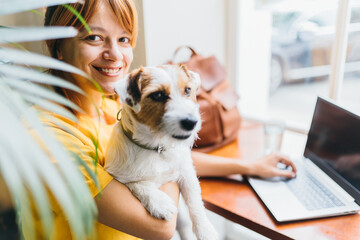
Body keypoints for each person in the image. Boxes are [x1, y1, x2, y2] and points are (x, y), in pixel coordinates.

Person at [39, 0, 297, 239]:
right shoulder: (50, 139)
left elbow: (159, 154)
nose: (115, 54)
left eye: (124, 38)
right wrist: (175, 163)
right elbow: (161, 226)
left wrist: (249, 166)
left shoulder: (108, 100)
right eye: (94, 37)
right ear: (58, 46)